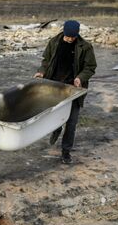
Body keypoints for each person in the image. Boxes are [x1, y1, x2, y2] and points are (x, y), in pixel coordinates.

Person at [33, 20, 96, 164]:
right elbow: (46, 60)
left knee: (72, 122)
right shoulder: (54, 42)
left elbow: (90, 67)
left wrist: (80, 78)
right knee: (54, 115)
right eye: (67, 37)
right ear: (63, 32)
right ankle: (56, 129)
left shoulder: (85, 47)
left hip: (73, 89)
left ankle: (66, 151)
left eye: (73, 38)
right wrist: (41, 72)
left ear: (77, 35)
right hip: (55, 87)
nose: (69, 40)